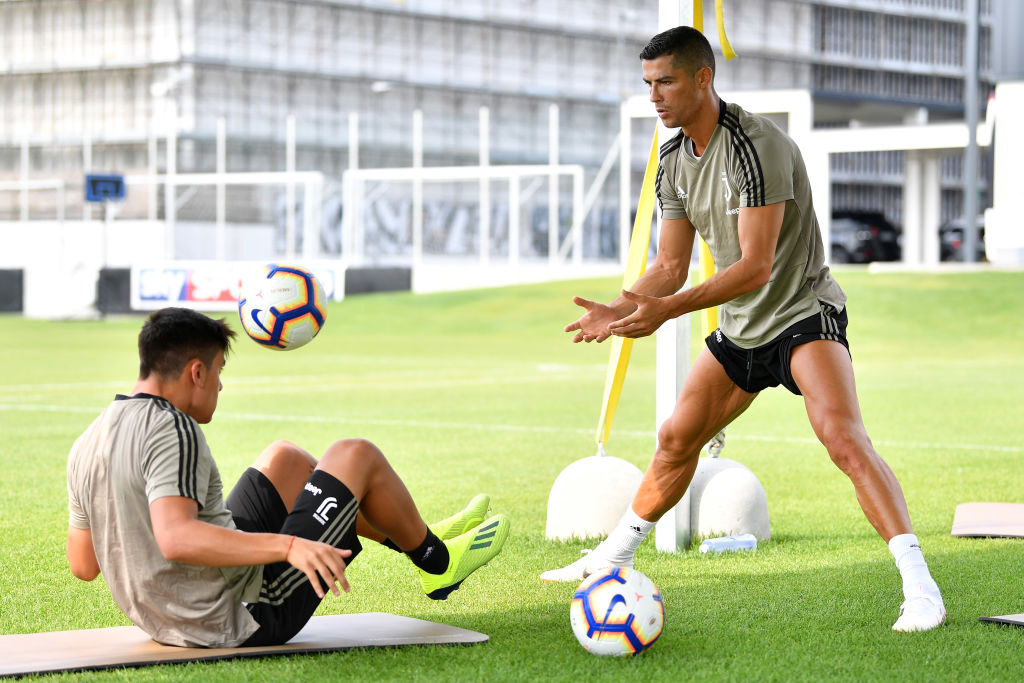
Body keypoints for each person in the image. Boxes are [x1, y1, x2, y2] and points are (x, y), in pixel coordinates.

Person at [541, 26, 945, 633]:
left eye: (667, 81)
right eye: (648, 83)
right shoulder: (673, 159)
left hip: (801, 314)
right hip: (742, 328)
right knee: (676, 438)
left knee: (841, 438)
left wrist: (666, 311)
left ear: (704, 78)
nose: (655, 95)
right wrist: (623, 306)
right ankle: (611, 558)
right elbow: (669, 266)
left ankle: (920, 586)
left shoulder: (757, 145)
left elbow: (755, 266)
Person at [66, 307, 509, 647]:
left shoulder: (91, 437)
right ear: (195, 372)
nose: (220, 385)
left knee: (286, 459)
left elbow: (83, 565)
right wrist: (289, 546)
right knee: (355, 454)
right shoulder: (173, 427)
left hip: (173, 617)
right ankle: (437, 562)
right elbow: (176, 538)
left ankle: (415, 535)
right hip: (240, 615)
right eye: (218, 371)